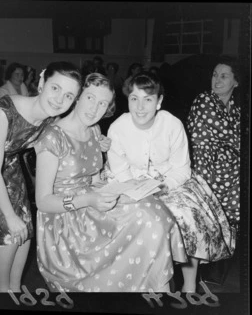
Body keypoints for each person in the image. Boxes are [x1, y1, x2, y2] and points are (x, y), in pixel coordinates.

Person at [34, 73, 188, 293]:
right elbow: (43, 202)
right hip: (64, 222)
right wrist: (90, 199)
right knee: (147, 218)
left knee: (154, 214)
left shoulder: (94, 130)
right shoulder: (52, 137)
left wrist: (120, 191)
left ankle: (157, 290)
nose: (94, 108)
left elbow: (95, 180)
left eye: (102, 103)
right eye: (90, 98)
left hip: (91, 207)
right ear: (77, 97)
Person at [106, 71, 235, 292]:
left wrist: (164, 186)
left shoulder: (172, 124)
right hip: (130, 183)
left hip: (171, 181)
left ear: (159, 102)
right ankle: (143, 282)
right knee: (133, 220)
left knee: (188, 218)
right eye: (134, 99)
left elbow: (182, 168)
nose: (140, 107)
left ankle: (190, 285)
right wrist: (137, 189)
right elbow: (120, 170)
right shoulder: (118, 127)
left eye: (148, 99)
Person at [0, 61, 84, 293]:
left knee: (25, 232)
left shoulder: (50, 117)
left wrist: (97, 139)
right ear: (41, 83)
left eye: (69, 96)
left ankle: (15, 288)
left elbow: (76, 128)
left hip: (8, 163)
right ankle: (1, 290)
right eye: (55, 88)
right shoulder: (4, 111)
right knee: (11, 230)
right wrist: (9, 216)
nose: (60, 99)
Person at [187, 55, 240, 230]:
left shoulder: (236, 108)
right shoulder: (204, 101)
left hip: (225, 165)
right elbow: (233, 137)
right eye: (215, 75)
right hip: (204, 163)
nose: (217, 79)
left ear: (236, 82)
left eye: (223, 76)